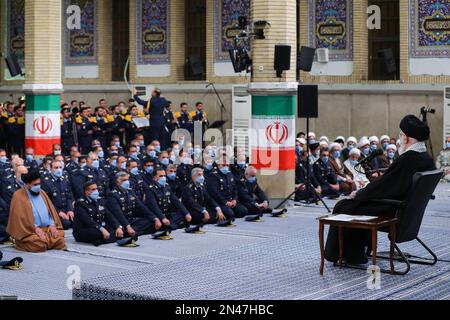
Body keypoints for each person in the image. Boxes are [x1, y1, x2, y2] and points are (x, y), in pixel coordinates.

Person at [324, 115, 436, 264]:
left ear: (407, 138)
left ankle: (349, 255)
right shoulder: (426, 158)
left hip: (393, 209)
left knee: (345, 206)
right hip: (405, 210)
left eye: (401, 134)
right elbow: (391, 184)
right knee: (356, 203)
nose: (400, 138)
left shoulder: (408, 159)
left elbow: (384, 187)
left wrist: (359, 193)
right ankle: (361, 249)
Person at [7, 170, 66, 252]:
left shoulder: (42, 193)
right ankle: (26, 242)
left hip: (47, 229)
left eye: (39, 184)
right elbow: (19, 219)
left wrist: (52, 225)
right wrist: (34, 228)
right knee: (38, 245)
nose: (38, 186)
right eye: (35, 185)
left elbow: (50, 213)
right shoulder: (18, 196)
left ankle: (47, 241)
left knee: (61, 241)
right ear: (27, 185)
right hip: (30, 231)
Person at [107, 172, 160, 236]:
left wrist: (155, 218)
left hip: (132, 220)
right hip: (122, 222)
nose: (126, 182)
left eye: (127, 179)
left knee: (150, 221)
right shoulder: (112, 195)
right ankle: (130, 231)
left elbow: (141, 207)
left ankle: (132, 232)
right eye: (124, 180)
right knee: (122, 230)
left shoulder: (130, 191)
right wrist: (128, 226)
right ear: (117, 182)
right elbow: (118, 214)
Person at [73, 182, 125, 246]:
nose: (96, 191)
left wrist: (118, 227)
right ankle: (110, 238)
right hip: (84, 230)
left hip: (98, 227)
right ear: (86, 192)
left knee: (120, 228)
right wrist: (102, 229)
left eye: (96, 189)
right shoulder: (80, 203)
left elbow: (109, 216)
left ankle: (101, 240)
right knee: (97, 233)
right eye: (93, 189)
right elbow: (88, 221)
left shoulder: (99, 201)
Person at [206, 154, 248, 219]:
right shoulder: (213, 175)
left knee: (243, 211)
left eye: (227, 165)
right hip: (220, 202)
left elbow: (234, 189)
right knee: (230, 214)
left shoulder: (229, 174)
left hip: (230, 200)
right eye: (223, 165)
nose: (225, 167)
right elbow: (215, 194)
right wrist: (226, 202)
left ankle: (231, 211)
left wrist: (234, 199)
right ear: (218, 164)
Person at [41, 160, 75, 230]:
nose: (58, 169)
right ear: (51, 169)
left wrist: (70, 210)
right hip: (54, 211)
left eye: (60, 167)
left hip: (66, 209)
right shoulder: (46, 182)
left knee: (76, 222)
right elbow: (46, 201)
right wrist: (58, 212)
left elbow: (69, 196)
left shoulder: (64, 179)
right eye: (56, 168)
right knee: (66, 224)